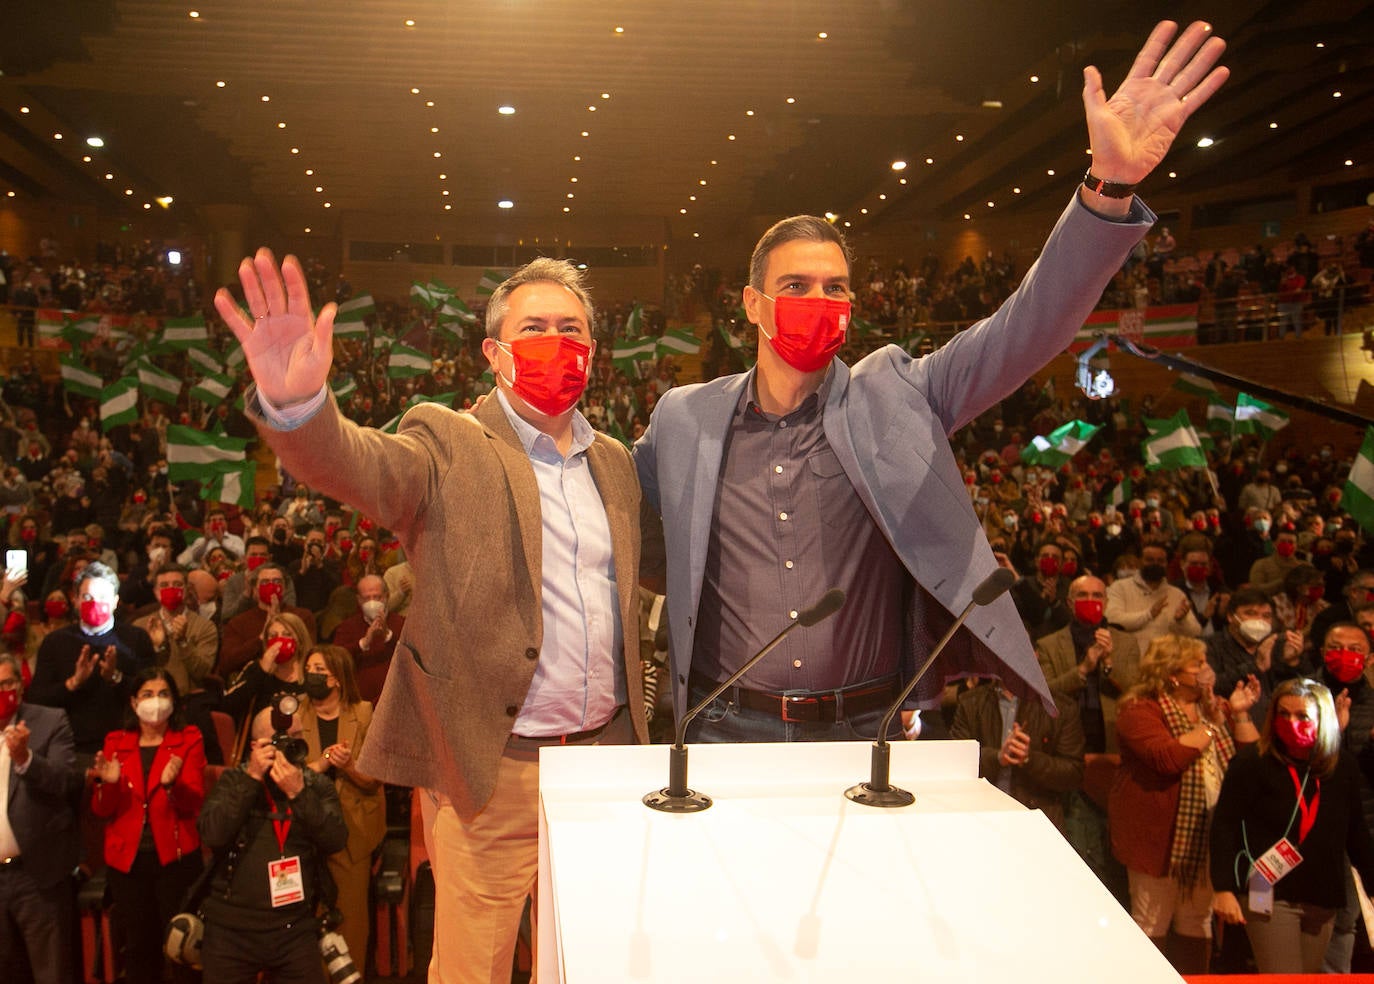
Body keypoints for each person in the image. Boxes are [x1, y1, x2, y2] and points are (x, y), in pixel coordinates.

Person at [634, 21, 1230, 739]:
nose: (818, 301)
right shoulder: (683, 418)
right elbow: (615, 520)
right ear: (752, 304)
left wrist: (1108, 190)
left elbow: (1030, 326)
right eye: (796, 284)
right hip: (720, 728)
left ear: (852, 308)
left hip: (866, 731)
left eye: (835, 287)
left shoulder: (899, 394)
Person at [214, 254, 648, 984]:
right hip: (493, 768)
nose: (555, 342)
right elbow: (358, 463)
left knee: (587, 964)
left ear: (594, 351)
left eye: (570, 329)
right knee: (471, 970)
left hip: (602, 764)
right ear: (494, 351)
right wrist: (301, 410)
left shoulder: (616, 464)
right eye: (534, 327)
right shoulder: (448, 442)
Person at [1109, 635, 1260, 973]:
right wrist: (1211, 725)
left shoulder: (1213, 705)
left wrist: (1240, 714)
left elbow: (1252, 758)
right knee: (1151, 922)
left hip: (1206, 839)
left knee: (1196, 922)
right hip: (1157, 840)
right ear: (1172, 673)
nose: (1207, 671)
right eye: (1198, 664)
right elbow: (1167, 758)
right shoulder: (1139, 710)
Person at [1211, 677, 1374, 973]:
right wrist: (1223, 888)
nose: (1291, 722)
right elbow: (1225, 825)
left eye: (1302, 716)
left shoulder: (1342, 766)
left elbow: (1356, 833)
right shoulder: (1253, 762)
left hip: (1322, 895)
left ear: (1323, 718)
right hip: (1268, 891)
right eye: (1283, 714)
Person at [197, 704, 347, 983]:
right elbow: (212, 834)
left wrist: (299, 794)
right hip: (231, 931)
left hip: (294, 929)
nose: (289, 747)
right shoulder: (233, 780)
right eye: (280, 740)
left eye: (296, 737)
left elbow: (336, 839)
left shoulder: (315, 786)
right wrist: (252, 778)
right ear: (256, 745)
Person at [89, 667, 206, 984]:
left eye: (163, 694)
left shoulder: (189, 739)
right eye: (148, 694)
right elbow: (101, 809)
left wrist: (172, 786)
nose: (156, 702)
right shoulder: (116, 742)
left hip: (175, 860)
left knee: (181, 947)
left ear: (174, 700)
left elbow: (193, 801)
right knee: (139, 947)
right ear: (133, 701)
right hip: (128, 863)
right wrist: (109, 785)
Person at [298, 645, 385, 970]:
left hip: (353, 830)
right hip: (307, 829)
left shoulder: (363, 713)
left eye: (319, 670)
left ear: (337, 678)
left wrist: (348, 766)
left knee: (351, 918)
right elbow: (289, 773)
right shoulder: (294, 715)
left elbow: (374, 778)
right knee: (309, 918)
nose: (312, 676)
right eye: (309, 669)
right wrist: (321, 763)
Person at [0, 653, 83, 984]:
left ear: (20, 687)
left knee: (53, 974)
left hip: (36, 876)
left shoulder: (50, 720)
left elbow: (67, 780)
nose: (1, 690)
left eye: (6, 683)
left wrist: (26, 759)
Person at [27, 560, 155, 761]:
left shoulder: (136, 639)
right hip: (69, 746)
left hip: (126, 742)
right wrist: (72, 684)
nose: (95, 603)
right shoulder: (55, 641)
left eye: (103, 597)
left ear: (115, 601)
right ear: (75, 600)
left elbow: (151, 696)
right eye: (87, 597)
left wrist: (115, 678)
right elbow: (37, 699)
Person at [949, 678, 1084, 831]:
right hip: (981, 817)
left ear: (1036, 656)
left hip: (1037, 822)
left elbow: (1073, 774)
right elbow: (955, 764)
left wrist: (1030, 759)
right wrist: (997, 757)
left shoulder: (1060, 707)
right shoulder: (971, 702)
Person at [1036, 574, 1139, 753]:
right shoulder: (1048, 645)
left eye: (1097, 596)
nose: (1090, 600)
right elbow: (1044, 694)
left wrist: (1108, 662)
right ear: (1070, 602)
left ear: (1106, 602)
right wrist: (1082, 670)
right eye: (1082, 595)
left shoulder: (1126, 642)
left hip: (1109, 728)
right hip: (1065, 729)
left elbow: (1136, 690)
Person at [331, 574, 404, 705]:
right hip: (360, 702)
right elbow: (336, 660)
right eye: (366, 598)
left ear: (386, 597)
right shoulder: (347, 627)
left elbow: (411, 657)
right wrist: (364, 642)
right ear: (359, 600)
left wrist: (388, 635)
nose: (372, 602)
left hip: (397, 701)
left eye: (377, 597)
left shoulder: (402, 623)